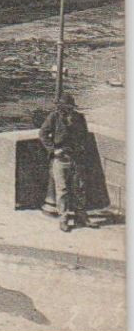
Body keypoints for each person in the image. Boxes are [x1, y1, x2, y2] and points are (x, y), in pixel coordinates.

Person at [40, 92, 107, 231]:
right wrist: (53, 150)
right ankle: (63, 219)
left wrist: (80, 149)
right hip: (60, 158)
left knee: (80, 188)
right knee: (62, 190)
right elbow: (43, 133)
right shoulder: (54, 117)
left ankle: (81, 216)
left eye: (69, 107)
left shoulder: (79, 118)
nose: (67, 109)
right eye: (64, 107)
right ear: (60, 107)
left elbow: (84, 135)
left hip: (76, 158)